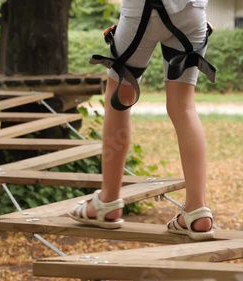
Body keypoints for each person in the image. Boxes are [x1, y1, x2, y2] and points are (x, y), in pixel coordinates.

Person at [69, 0, 214, 241]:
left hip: (144, 8)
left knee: (119, 99)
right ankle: (197, 209)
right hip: (192, 9)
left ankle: (108, 201)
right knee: (184, 106)